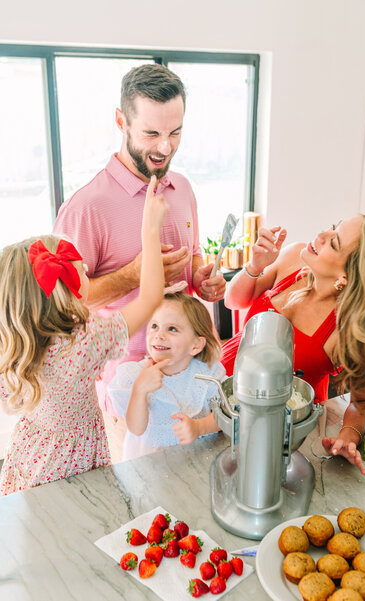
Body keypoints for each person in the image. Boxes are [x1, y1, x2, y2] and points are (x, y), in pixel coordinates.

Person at [53, 64, 226, 424]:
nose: (165, 147)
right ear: (121, 121)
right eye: (151, 133)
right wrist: (132, 276)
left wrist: (202, 278)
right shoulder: (86, 208)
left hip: (191, 376)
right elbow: (63, 308)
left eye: (175, 132)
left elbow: (192, 257)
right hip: (126, 388)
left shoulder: (184, 189)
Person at [0, 177, 168, 495]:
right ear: (67, 290)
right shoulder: (86, 342)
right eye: (84, 269)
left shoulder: (13, 344)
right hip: (73, 472)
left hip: (30, 461)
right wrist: (150, 229)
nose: (89, 266)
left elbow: (8, 403)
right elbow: (150, 298)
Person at [222, 214, 365, 475]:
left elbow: (361, 405)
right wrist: (255, 265)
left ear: (348, 276)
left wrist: (348, 438)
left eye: (334, 243)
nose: (321, 235)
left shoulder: (348, 329)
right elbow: (233, 300)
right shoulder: (293, 256)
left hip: (282, 426)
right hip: (224, 392)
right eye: (332, 227)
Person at [107, 292, 225, 459]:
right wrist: (139, 390)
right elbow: (136, 428)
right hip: (149, 466)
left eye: (172, 329)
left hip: (195, 462)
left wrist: (200, 427)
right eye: (154, 326)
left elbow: (227, 414)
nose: (159, 335)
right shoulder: (134, 375)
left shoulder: (207, 374)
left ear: (196, 345)